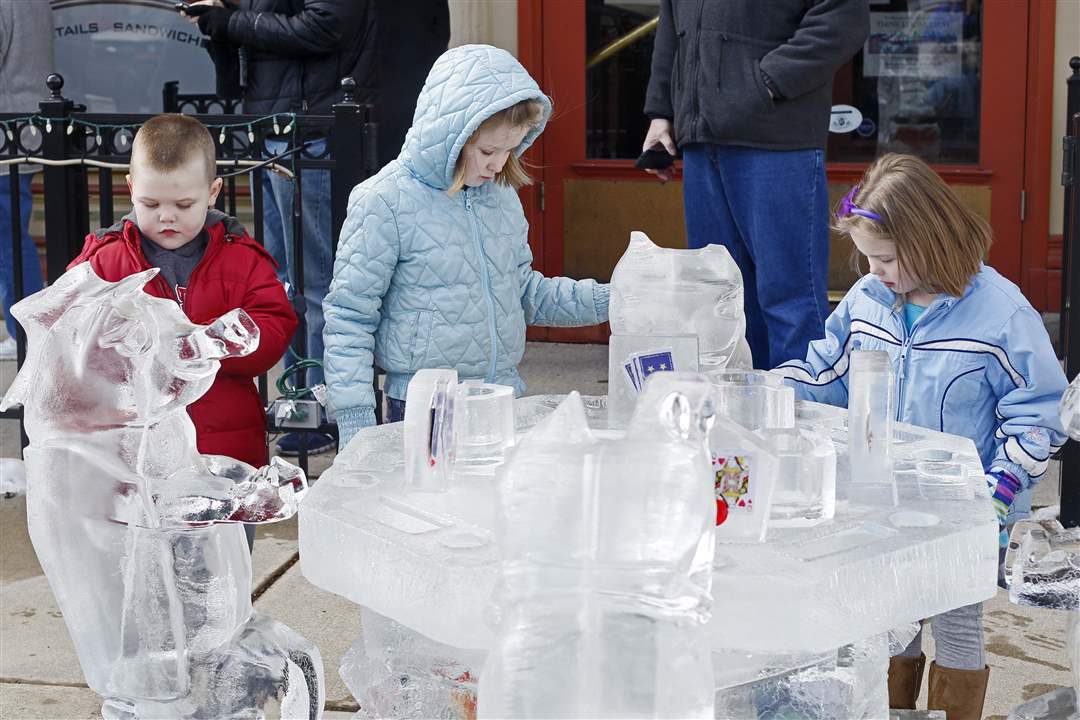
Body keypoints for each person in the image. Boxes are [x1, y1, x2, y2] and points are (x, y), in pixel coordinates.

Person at [774, 154, 1068, 719]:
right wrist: (776, 393)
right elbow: (829, 375)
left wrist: (1001, 489)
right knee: (889, 621)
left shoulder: (1000, 313)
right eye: (866, 257)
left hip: (963, 511)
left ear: (929, 242)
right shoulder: (866, 300)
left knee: (957, 626)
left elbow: (1038, 411)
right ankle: (893, 712)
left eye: (885, 258)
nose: (873, 269)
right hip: (881, 501)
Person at [323, 44, 610, 448]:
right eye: (489, 151)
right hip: (426, 408)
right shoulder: (384, 201)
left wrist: (609, 300)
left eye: (510, 150)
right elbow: (350, 317)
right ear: (449, 138)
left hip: (504, 399)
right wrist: (355, 418)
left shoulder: (501, 196)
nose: (498, 164)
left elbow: (525, 292)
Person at [69, 114, 297, 545]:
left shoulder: (242, 259)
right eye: (151, 205)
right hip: (135, 457)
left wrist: (219, 343)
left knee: (220, 579)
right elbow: (71, 329)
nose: (167, 217)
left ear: (213, 193)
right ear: (131, 187)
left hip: (223, 452)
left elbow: (275, 323)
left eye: (184, 205)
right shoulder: (105, 260)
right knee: (144, 576)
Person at [187, 0, 379, 455]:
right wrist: (219, 23)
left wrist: (232, 21)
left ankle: (323, 409)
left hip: (311, 126)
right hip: (274, 124)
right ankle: (297, 403)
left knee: (315, 282)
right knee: (282, 282)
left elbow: (326, 24)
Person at [642, 0, 869, 369]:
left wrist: (765, 82)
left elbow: (844, 18)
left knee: (789, 303)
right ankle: (736, 420)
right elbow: (672, 27)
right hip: (703, 144)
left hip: (776, 141)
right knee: (720, 301)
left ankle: (799, 415)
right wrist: (662, 111)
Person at [0, 1, 52, 359]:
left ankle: (24, 331)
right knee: (12, 237)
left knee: (9, 241)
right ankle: (22, 328)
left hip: (7, 136)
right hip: (24, 130)